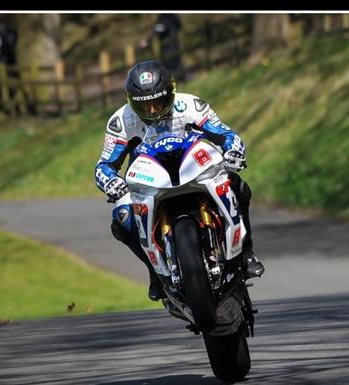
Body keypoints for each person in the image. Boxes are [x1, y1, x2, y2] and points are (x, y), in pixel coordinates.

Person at [94, 60, 264, 301]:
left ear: (171, 93)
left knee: (238, 186)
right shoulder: (121, 121)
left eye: (158, 102)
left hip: (192, 170)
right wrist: (111, 181)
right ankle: (155, 273)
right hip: (149, 181)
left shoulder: (191, 105)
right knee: (122, 220)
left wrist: (233, 151)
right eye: (143, 105)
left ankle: (246, 253)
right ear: (130, 101)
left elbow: (226, 134)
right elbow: (104, 166)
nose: (152, 111)